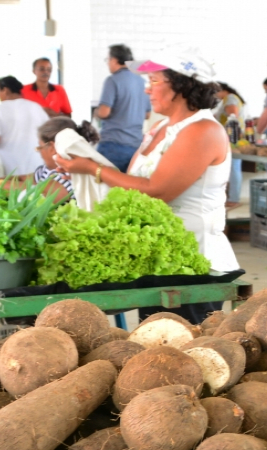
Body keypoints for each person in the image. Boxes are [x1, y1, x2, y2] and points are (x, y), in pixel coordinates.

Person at [54, 50, 238, 325]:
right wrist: (83, 174)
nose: (147, 89)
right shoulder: (161, 128)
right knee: (156, 339)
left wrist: (94, 169)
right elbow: (132, 186)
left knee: (185, 341)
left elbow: (157, 189)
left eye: (154, 80)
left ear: (182, 85)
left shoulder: (203, 131)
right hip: (159, 258)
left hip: (194, 262)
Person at [95, 44, 151, 172]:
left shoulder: (112, 80)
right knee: (127, 183)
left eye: (108, 59)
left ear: (115, 60)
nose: (108, 63)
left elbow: (104, 112)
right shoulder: (142, 82)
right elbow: (147, 115)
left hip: (113, 145)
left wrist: (97, 112)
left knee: (105, 184)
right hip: (136, 146)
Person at [0, 76, 49, 176]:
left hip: (9, 166)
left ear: (5, 90)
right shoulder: (36, 107)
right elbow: (49, 134)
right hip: (36, 163)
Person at [213, 82, 245, 208]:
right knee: (232, 167)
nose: (215, 96)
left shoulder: (230, 98)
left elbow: (232, 117)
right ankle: (232, 197)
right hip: (231, 138)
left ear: (222, 90)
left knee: (234, 167)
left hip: (232, 138)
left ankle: (234, 198)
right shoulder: (229, 99)